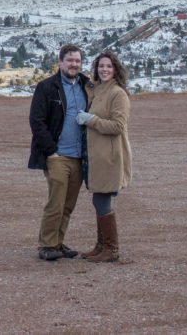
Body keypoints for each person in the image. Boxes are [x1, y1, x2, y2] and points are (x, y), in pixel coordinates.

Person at [28, 43, 93, 260]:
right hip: (57, 155)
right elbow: (36, 121)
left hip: (79, 156)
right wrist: (51, 151)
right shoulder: (47, 87)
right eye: (70, 60)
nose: (74, 64)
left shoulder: (87, 86)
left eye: (77, 61)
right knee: (56, 202)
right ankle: (46, 245)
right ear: (60, 62)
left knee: (68, 203)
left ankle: (58, 242)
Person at [76, 50, 133, 263]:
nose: (105, 69)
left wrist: (91, 120)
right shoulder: (98, 90)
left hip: (110, 156)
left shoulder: (118, 93)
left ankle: (111, 248)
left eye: (109, 66)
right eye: (101, 66)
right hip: (96, 156)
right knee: (98, 198)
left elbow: (118, 126)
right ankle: (101, 246)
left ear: (115, 69)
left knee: (103, 199)